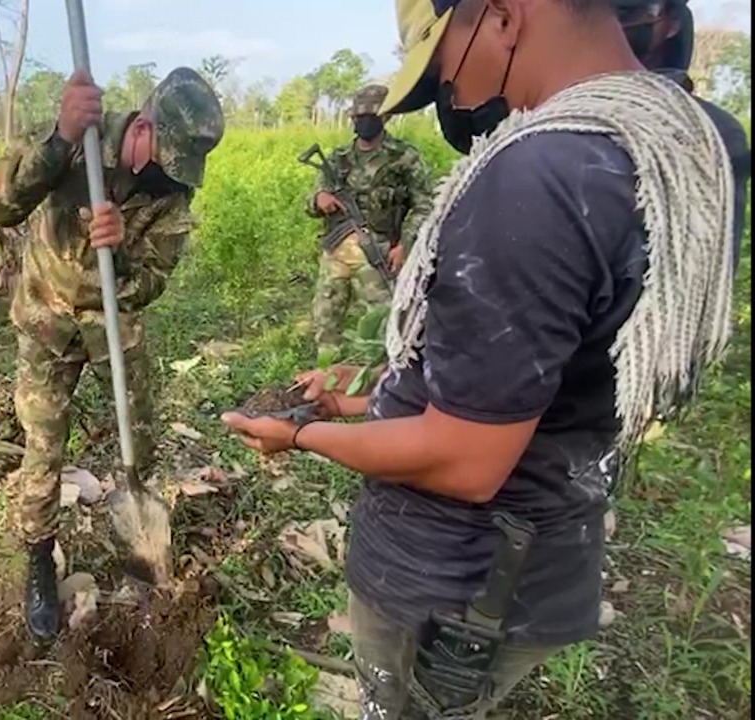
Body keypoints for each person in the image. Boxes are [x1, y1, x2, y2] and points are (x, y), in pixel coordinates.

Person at [221, 0, 734, 717]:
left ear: (500, 15)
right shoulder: (683, 143)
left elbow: (465, 458)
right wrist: (362, 400)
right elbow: (528, 375)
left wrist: (300, 433)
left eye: (442, 73)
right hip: (541, 548)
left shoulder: (541, 173)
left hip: (455, 586)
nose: (454, 101)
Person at [0, 67, 224, 644]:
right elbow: (0, 208)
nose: (170, 176)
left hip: (115, 330)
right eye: (166, 156)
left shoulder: (172, 195)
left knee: (136, 440)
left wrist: (117, 254)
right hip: (46, 319)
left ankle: (138, 539)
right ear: (142, 127)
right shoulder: (73, 139)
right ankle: (40, 558)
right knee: (43, 446)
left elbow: (151, 282)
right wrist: (63, 139)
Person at [615, 0, 750, 266]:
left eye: (630, 12)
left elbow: (707, 266)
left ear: (672, 24)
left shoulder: (709, 128)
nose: (616, 25)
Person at [307, 84, 432, 365]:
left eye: (370, 115)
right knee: (326, 320)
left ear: (386, 117)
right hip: (335, 252)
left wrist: (405, 244)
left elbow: (424, 206)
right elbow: (310, 204)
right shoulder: (338, 159)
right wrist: (319, 199)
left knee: (382, 321)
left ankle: (379, 380)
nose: (363, 121)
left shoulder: (404, 157)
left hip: (380, 252)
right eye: (358, 116)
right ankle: (327, 376)